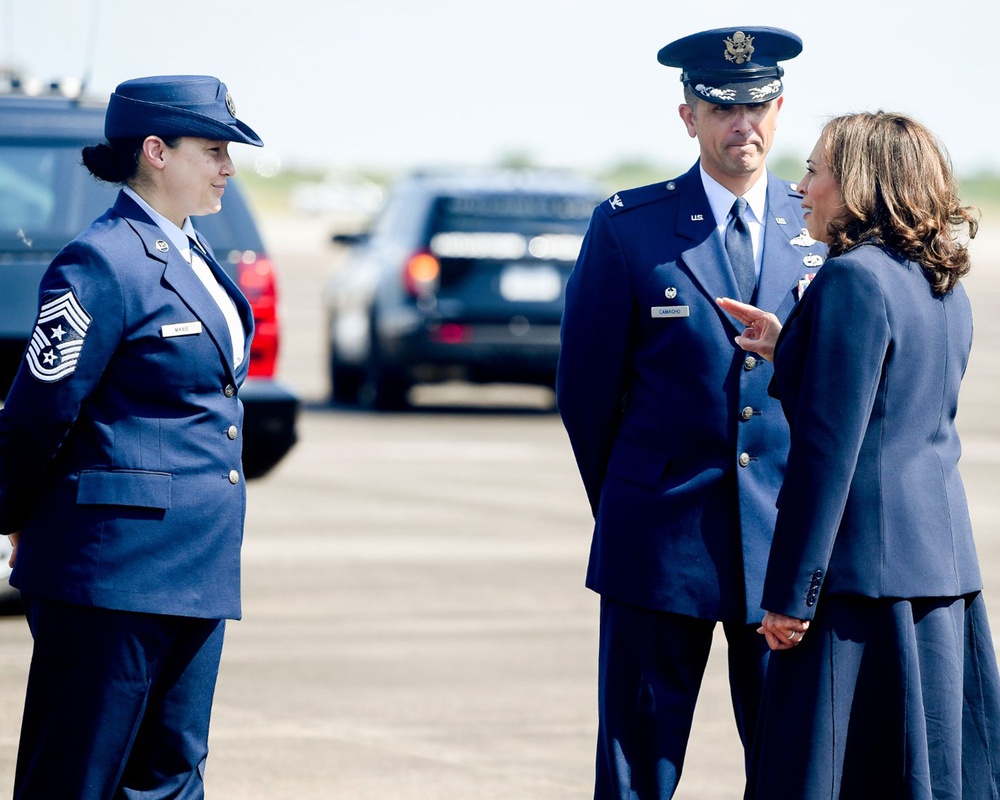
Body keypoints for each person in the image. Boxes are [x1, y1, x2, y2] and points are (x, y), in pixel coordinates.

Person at [556, 26, 827, 799]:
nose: (743, 126)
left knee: (791, 765)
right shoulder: (629, 226)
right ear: (689, 117)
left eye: (758, 107)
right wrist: (632, 503)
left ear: (780, 109)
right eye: (722, 109)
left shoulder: (820, 225)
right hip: (659, 541)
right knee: (637, 764)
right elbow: (585, 395)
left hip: (783, 541)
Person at [718, 111, 1000, 798]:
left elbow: (829, 451)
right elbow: (892, 407)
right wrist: (794, 346)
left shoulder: (851, 280)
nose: (801, 188)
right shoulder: (940, 281)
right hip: (939, 576)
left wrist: (789, 595)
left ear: (860, 185)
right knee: (924, 775)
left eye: (815, 171)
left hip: (858, 593)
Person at [3, 75, 262, 799]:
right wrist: (16, 517)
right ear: (156, 151)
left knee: (171, 777)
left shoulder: (196, 255)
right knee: (77, 777)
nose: (227, 168)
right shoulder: (102, 262)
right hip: (111, 570)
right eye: (212, 150)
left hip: (197, 566)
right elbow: (36, 414)